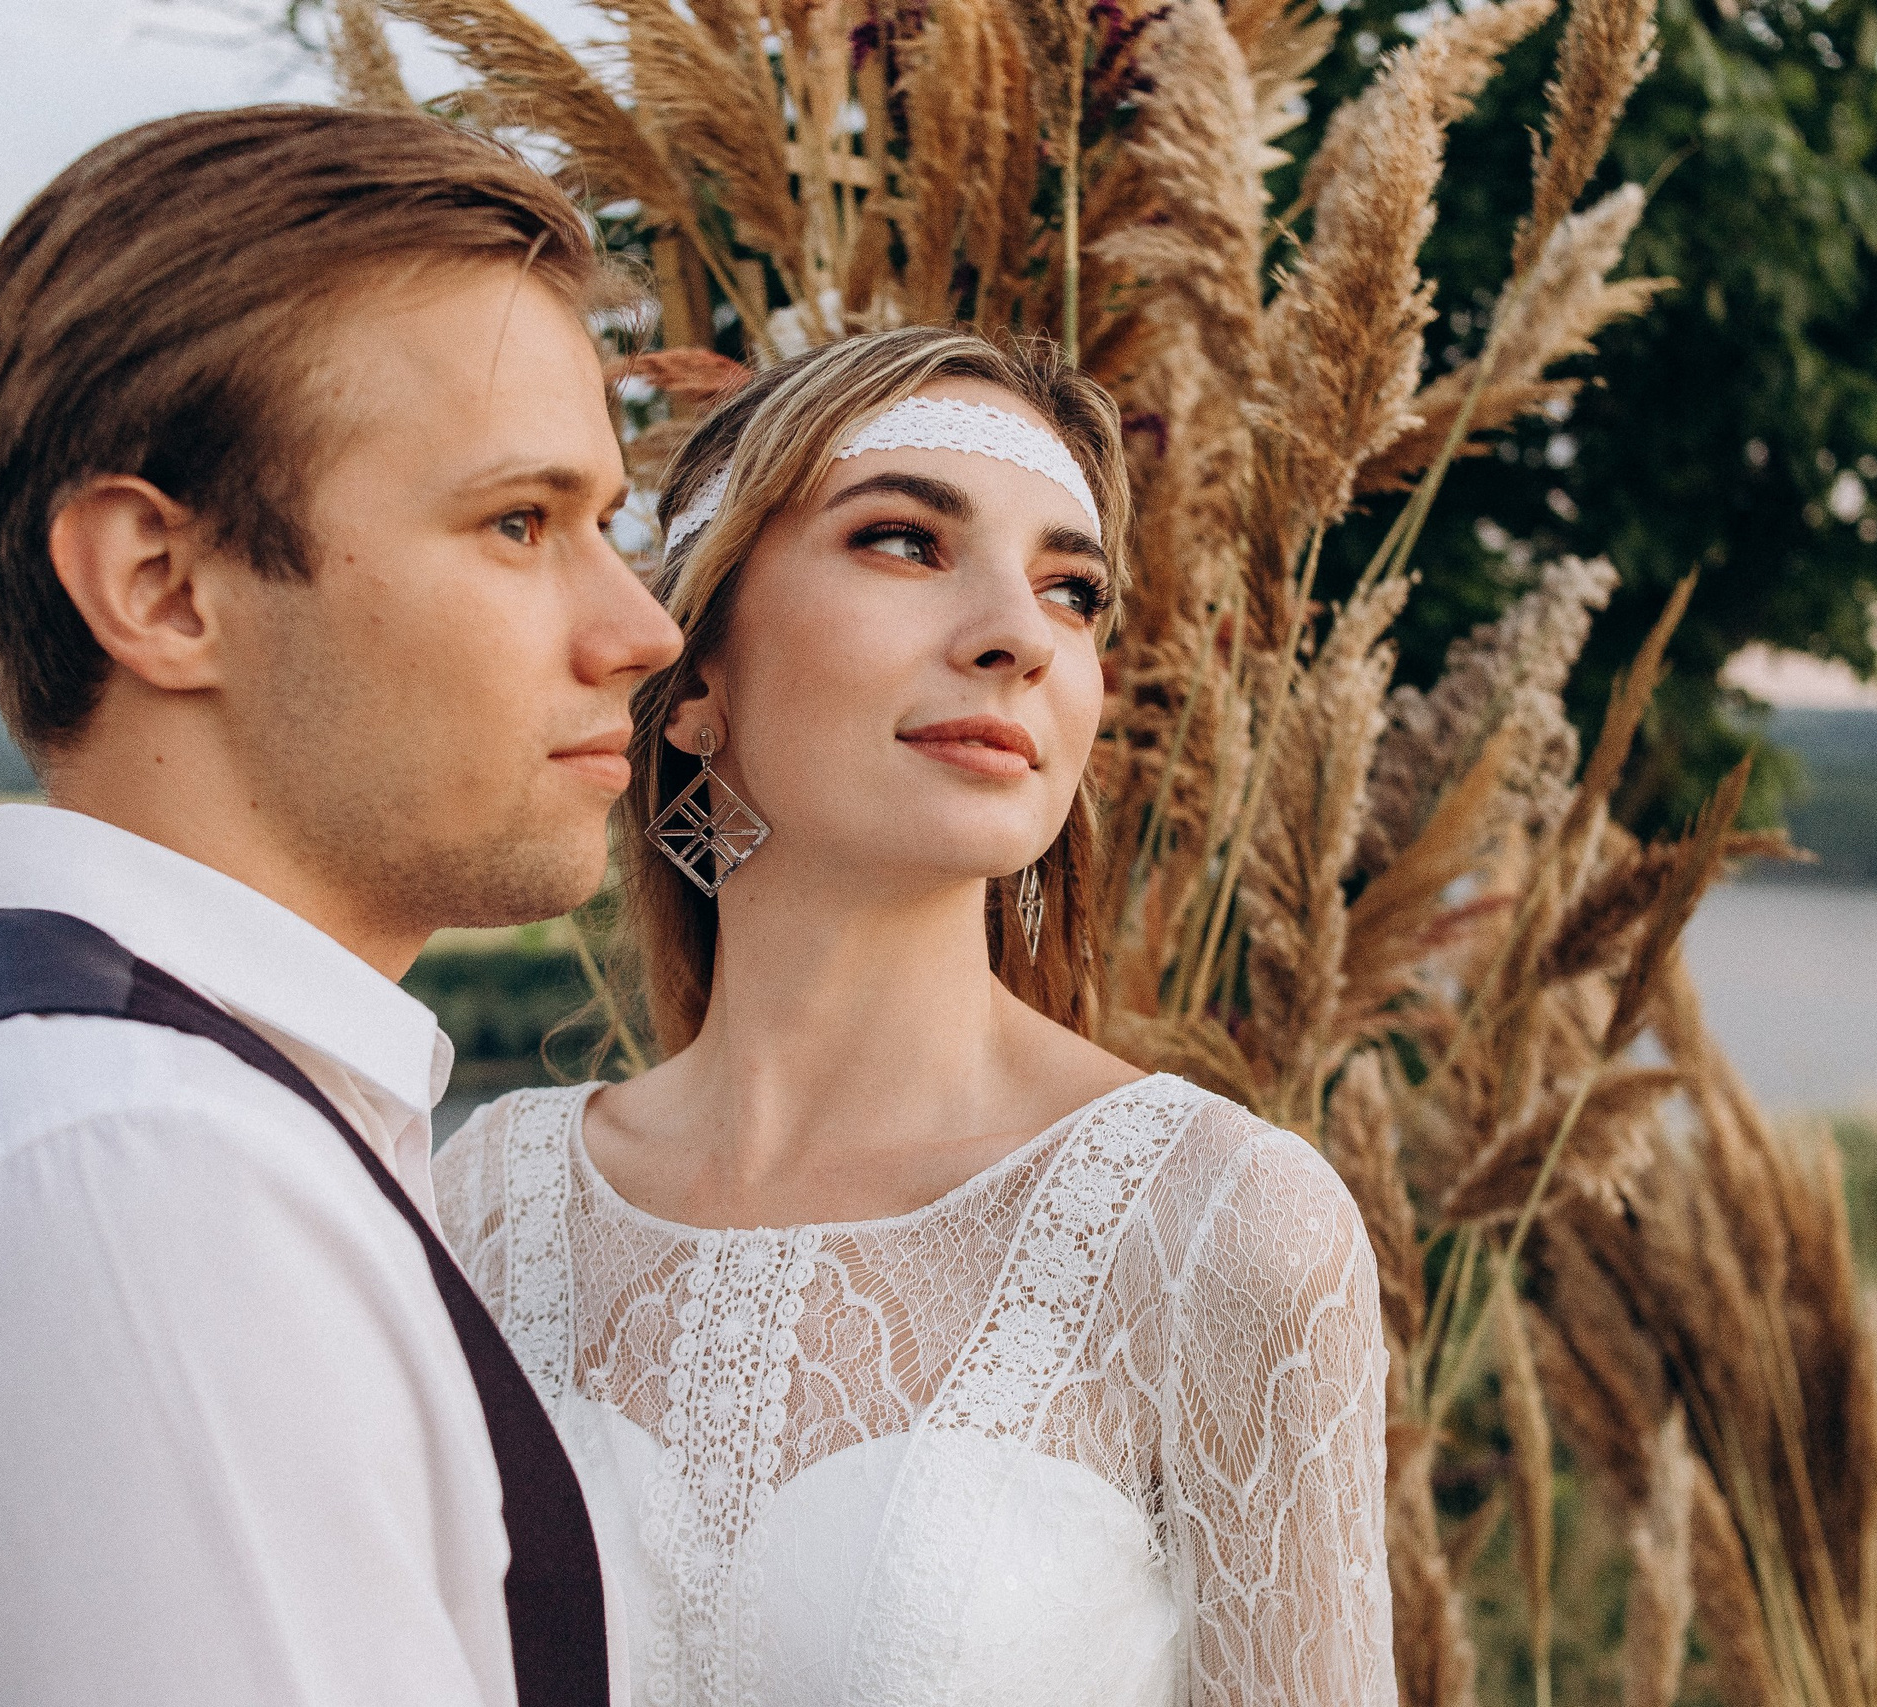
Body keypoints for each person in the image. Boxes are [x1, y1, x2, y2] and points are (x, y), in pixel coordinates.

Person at [0, 105, 678, 1707]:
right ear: (161, 586)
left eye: (605, 523)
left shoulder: (148, 1116)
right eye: (518, 523)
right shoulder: (123, 1168)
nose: (639, 629)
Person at [432, 327, 1398, 1707]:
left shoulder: (1221, 1232)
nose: (1018, 634)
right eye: (904, 542)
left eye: (1075, 591)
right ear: (695, 677)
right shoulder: (479, 1209)